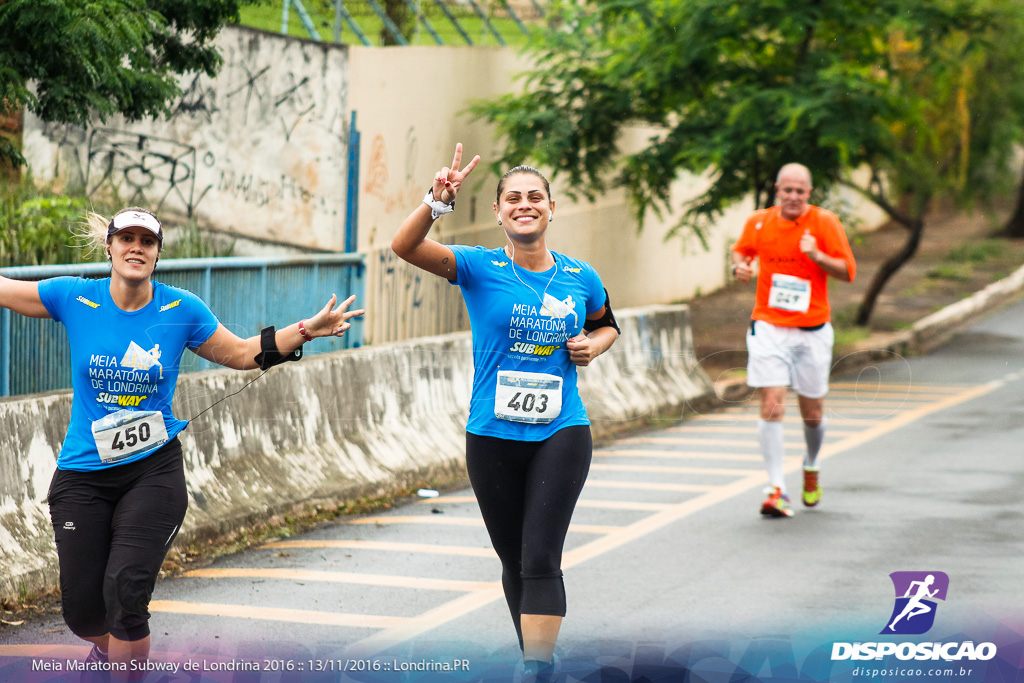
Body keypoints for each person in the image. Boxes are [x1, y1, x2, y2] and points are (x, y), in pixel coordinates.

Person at [0, 207, 364, 678]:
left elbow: (237, 353)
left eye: (146, 242)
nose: (136, 248)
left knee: (125, 591)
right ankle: (110, 653)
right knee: (83, 613)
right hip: (83, 472)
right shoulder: (75, 297)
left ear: (157, 253)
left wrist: (305, 330)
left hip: (151, 471)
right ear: (108, 247)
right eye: (126, 239)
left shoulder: (181, 309)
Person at [391, 144, 620, 680]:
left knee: (541, 557)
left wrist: (595, 345)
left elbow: (608, 322)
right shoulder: (476, 266)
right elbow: (404, 247)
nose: (524, 205)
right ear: (498, 212)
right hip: (491, 435)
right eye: (512, 198)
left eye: (534, 197)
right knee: (514, 557)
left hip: (561, 432)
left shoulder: (579, 276)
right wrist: (435, 202)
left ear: (551, 208)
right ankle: (534, 657)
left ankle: (537, 669)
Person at [731, 163, 856, 518]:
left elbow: (848, 271)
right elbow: (741, 252)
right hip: (769, 326)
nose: (794, 197)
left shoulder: (825, 223)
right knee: (772, 403)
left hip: (813, 329)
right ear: (777, 189)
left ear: (809, 194)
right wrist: (739, 268)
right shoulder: (759, 222)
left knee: (812, 414)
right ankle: (776, 489)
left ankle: (811, 465)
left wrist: (816, 255)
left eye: (801, 191)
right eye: (788, 190)